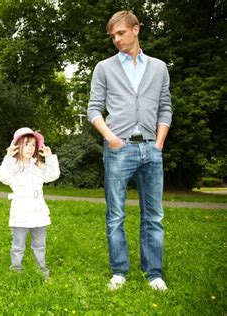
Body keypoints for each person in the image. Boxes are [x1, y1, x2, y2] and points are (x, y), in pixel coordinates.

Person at [87, 10, 172, 291]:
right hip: (118, 148)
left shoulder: (159, 68)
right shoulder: (104, 68)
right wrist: (111, 138)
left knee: (153, 215)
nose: (117, 40)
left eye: (121, 33)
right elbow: (93, 109)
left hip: (151, 148)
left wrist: (159, 143)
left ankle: (154, 273)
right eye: (113, 36)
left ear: (136, 29)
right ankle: (119, 271)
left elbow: (165, 108)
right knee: (115, 214)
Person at [0, 127, 60, 278]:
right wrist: (8, 157)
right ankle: (16, 271)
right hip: (20, 214)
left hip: (39, 214)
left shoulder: (38, 166)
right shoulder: (13, 166)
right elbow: (4, 177)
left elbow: (53, 175)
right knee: (18, 246)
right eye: (26, 144)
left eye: (33, 145)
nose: (30, 148)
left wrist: (50, 158)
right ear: (17, 145)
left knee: (40, 246)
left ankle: (42, 272)